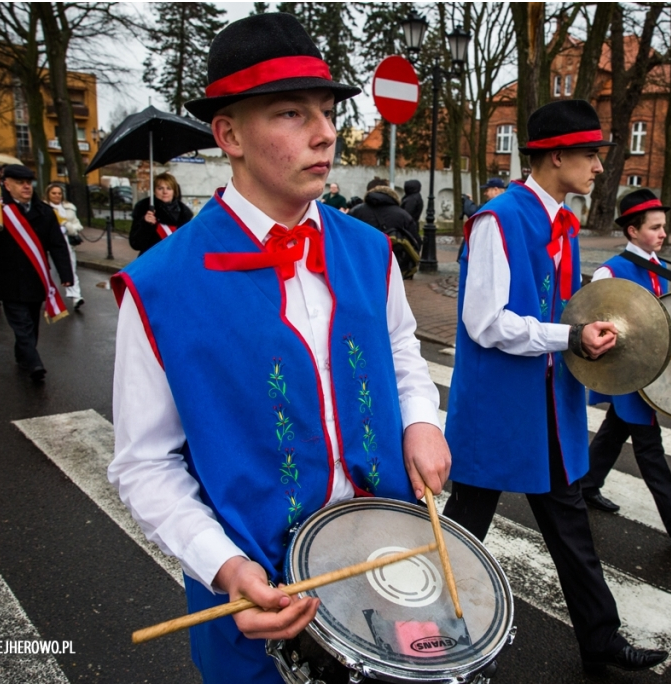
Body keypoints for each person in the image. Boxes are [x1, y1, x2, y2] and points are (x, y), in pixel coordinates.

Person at [108, 13, 449, 683]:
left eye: (325, 111)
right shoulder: (158, 287)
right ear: (229, 134)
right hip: (257, 603)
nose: (325, 133)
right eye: (292, 113)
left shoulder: (370, 249)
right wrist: (225, 566)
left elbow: (402, 350)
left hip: (388, 569)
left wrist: (420, 421)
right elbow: (145, 463)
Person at [443, 99, 667, 675]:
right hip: (499, 407)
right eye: (591, 154)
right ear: (556, 154)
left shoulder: (561, 223)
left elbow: (564, 309)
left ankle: (602, 642)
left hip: (550, 401)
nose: (598, 167)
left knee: (571, 528)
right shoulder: (500, 219)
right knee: (465, 537)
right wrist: (570, 335)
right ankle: (443, 644)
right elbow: (484, 322)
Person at [581, 190, 671, 543]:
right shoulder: (612, 270)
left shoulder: (658, 270)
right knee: (649, 446)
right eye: (655, 228)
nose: (662, 234)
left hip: (651, 373)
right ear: (632, 231)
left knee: (614, 431)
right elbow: (598, 318)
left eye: (663, 227)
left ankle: (587, 485)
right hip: (629, 373)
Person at [0, 165, 73, 382]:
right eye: (19, 182)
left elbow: (57, 245)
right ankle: (35, 362)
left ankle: (23, 354)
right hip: (9, 278)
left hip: (35, 277)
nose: (26, 186)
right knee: (20, 322)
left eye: (28, 182)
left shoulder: (44, 212)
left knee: (32, 322)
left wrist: (66, 274)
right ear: (7, 185)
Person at [348, 179, 421, 278]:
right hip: (392, 263)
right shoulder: (403, 214)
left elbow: (344, 236)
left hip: (361, 261)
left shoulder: (357, 211)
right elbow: (415, 240)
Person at [128, 172, 194, 255]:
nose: (165, 192)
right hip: (151, 261)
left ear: (174, 191)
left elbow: (189, 243)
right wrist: (145, 224)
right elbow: (135, 244)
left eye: (169, 188)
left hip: (174, 262)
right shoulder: (144, 209)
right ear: (154, 191)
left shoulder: (184, 214)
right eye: (160, 188)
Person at [46, 183, 85, 310]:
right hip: (49, 244)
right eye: (53, 193)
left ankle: (76, 296)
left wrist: (71, 228)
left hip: (67, 243)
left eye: (59, 193)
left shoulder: (69, 208)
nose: (57, 196)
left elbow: (77, 224)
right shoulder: (43, 208)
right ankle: (51, 297)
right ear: (48, 194)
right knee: (52, 271)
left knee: (71, 268)